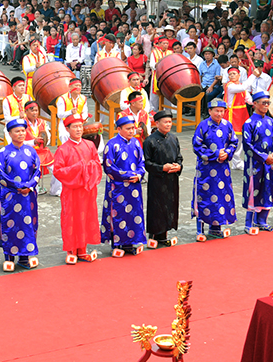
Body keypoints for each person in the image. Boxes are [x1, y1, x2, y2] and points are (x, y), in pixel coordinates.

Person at [0, 117, 41, 271]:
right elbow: (0, 175)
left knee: (27, 224)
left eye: (22, 130)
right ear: (10, 133)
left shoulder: (31, 151)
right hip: (10, 196)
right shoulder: (3, 152)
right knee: (10, 223)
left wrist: (30, 186)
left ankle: (25, 257)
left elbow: (38, 171)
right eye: (17, 131)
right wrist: (18, 186)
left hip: (28, 196)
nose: (20, 133)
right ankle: (9, 256)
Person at [53, 113, 102, 263]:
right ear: (67, 129)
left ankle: (82, 249)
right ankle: (71, 250)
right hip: (71, 191)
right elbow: (57, 171)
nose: (79, 129)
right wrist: (78, 168)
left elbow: (97, 164)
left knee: (86, 218)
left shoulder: (90, 145)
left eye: (80, 126)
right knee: (71, 219)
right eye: (75, 127)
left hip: (87, 190)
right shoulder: (63, 149)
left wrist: (89, 168)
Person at [191, 99, 238, 239]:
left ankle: (216, 227)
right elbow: (197, 146)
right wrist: (215, 154)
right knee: (204, 195)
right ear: (210, 111)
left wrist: (228, 152)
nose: (219, 113)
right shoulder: (203, 125)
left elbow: (234, 142)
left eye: (221, 111)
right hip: (206, 168)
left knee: (221, 195)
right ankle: (200, 229)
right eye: (216, 111)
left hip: (223, 168)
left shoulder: (227, 125)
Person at [101, 115, 146, 257]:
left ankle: (131, 242)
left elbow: (142, 163)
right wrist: (127, 176)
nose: (131, 131)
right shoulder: (111, 144)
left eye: (133, 128)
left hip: (134, 186)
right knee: (118, 213)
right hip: (118, 187)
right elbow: (109, 167)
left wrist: (138, 175)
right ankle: (117, 243)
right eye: (128, 129)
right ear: (119, 129)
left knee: (134, 213)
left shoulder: (137, 143)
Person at [241, 91, 273, 233]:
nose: (266, 106)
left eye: (268, 103)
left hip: (270, 164)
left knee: (268, 189)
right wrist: (265, 157)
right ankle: (249, 223)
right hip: (255, 164)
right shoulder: (249, 123)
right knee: (254, 190)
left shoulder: (271, 121)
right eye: (263, 103)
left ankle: (262, 220)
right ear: (254, 104)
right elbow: (247, 145)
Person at [143, 109, 183, 248]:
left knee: (169, 206)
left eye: (170, 122)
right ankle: (154, 234)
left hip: (172, 179)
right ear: (157, 123)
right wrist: (161, 168)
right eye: (165, 122)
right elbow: (146, 163)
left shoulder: (173, 138)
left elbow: (179, 157)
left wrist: (178, 166)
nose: (168, 124)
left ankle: (164, 235)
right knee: (157, 207)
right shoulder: (150, 141)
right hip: (157, 180)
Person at [55, 78, 89, 144]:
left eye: (80, 86)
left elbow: (85, 112)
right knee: (64, 135)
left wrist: (84, 118)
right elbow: (59, 115)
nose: (78, 88)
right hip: (66, 123)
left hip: (78, 123)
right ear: (70, 87)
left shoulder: (83, 98)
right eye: (76, 85)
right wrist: (70, 112)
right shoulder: (62, 98)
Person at [2, 76, 32, 142]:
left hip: (27, 126)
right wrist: (19, 117)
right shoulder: (7, 100)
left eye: (23, 85)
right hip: (12, 126)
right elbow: (7, 118)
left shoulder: (28, 98)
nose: (22, 87)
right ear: (13, 87)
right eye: (20, 85)